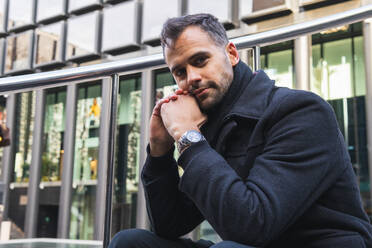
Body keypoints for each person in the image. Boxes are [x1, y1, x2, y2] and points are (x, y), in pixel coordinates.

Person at [109, 13, 372, 248]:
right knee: (130, 242)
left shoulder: (300, 111)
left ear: (232, 54)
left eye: (200, 60)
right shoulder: (209, 125)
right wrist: (159, 152)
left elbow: (252, 225)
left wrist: (188, 136)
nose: (191, 78)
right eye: (179, 72)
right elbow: (171, 226)